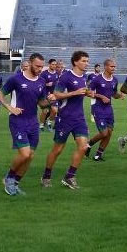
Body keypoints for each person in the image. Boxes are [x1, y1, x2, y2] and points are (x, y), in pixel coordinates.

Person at [0, 53, 53, 195]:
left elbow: (41, 103)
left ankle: (15, 184)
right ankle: (9, 178)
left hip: (33, 122)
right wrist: (9, 107)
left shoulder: (41, 81)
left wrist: (51, 100)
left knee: (31, 156)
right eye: (37, 66)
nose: (40, 69)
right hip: (18, 121)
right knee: (24, 154)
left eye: (42, 66)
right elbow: (0, 94)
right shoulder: (16, 79)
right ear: (29, 63)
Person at [42, 51, 95, 189]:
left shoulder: (84, 77)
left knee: (83, 146)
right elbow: (56, 94)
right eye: (84, 61)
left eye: (87, 61)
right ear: (75, 62)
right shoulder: (66, 77)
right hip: (65, 118)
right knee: (58, 149)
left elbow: (82, 92)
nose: (86, 63)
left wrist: (89, 93)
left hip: (79, 118)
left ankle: (70, 176)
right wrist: (75, 93)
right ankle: (46, 176)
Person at [85, 58, 122, 161]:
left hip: (109, 109)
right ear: (105, 67)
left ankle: (98, 155)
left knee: (109, 132)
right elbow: (88, 92)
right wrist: (101, 96)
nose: (113, 68)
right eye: (111, 66)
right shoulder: (97, 79)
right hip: (98, 108)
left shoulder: (115, 80)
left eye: (114, 66)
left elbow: (114, 94)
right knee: (104, 133)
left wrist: (119, 95)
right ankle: (88, 144)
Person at [39, 59, 59, 131]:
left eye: (55, 64)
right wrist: (46, 84)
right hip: (45, 95)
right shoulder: (44, 73)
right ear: (49, 64)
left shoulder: (57, 74)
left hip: (53, 96)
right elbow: (39, 83)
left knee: (55, 110)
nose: (54, 66)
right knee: (45, 111)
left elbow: (58, 84)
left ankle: (49, 122)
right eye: (53, 64)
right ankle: (41, 125)